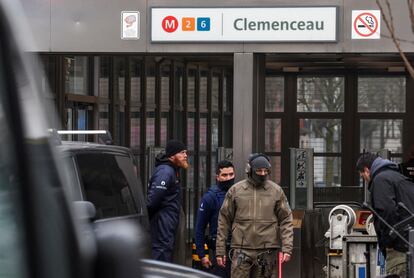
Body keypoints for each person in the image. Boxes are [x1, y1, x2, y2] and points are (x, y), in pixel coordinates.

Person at [215, 153, 293, 278]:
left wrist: (287, 248)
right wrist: (220, 250)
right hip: (241, 249)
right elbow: (224, 220)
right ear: (250, 170)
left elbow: (286, 219)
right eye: (259, 170)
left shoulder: (276, 191)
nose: (262, 174)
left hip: (267, 250)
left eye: (265, 170)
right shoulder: (236, 190)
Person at [357, 152, 414, 277]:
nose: (364, 178)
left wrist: (387, 241)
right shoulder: (397, 177)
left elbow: (387, 211)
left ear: (367, 170)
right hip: (409, 243)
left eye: (362, 174)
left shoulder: (380, 180)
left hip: (399, 249)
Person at [147, 139, 188, 262]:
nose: (185, 155)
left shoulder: (172, 170)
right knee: (160, 257)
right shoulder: (165, 172)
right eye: (182, 152)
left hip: (166, 225)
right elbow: (152, 201)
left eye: (186, 152)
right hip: (162, 226)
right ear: (172, 155)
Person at [195, 160, 235, 277]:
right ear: (217, 177)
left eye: (231, 174)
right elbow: (199, 228)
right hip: (220, 252)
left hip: (239, 251)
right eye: (224, 175)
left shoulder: (239, 193)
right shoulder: (210, 198)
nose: (228, 178)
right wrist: (202, 255)